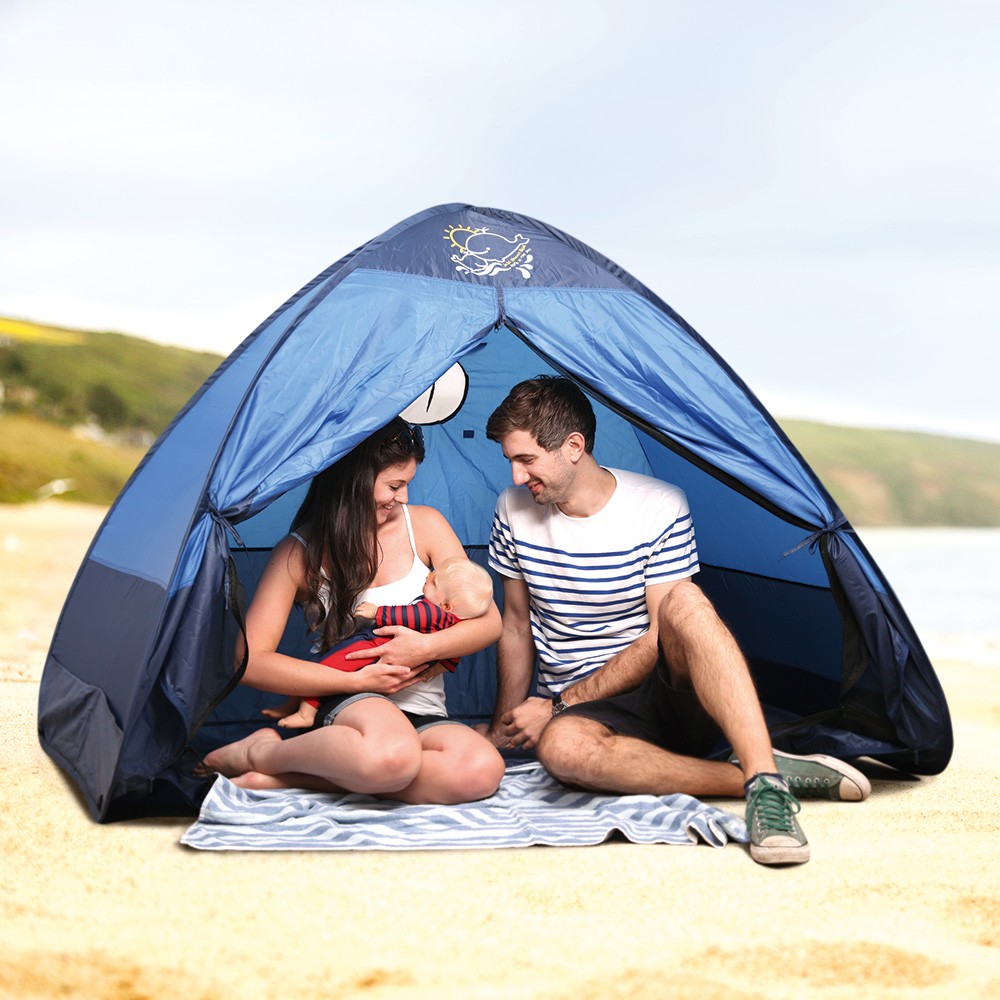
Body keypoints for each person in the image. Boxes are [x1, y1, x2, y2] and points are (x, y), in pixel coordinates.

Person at [482, 376, 870, 865]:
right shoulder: (512, 510)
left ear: (573, 446)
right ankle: (761, 777)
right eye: (511, 462)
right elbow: (516, 626)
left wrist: (558, 703)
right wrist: (504, 724)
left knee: (684, 600)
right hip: (586, 716)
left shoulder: (659, 505)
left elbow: (660, 637)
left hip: (658, 686)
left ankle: (766, 792)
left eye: (526, 460)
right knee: (561, 752)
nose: (517, 477)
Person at [199, 419, 506, 805]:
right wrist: (358, 682)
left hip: (423, 710)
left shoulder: (425, 526)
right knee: (393, 757)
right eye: (395, 485)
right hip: (349, 706)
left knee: (481, 770)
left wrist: (422, 650)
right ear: (354, 480)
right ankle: (260, 752)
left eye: (407, 484)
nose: (404, 497)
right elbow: (248, 662)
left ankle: (287, 776)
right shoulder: (298, 554)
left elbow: (490, 621)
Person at [264, 558, 494, 729]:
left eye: (433, 581)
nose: (428, 577)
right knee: (323, 664)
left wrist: (377, 612)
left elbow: (408, 615)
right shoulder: (449, 625)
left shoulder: (433, 613)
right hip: (376, 649)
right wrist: (434, 669)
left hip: (373, 646)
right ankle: (294, 703)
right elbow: (452, 658)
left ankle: (306, 711)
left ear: (446, 606)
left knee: (328, 666)